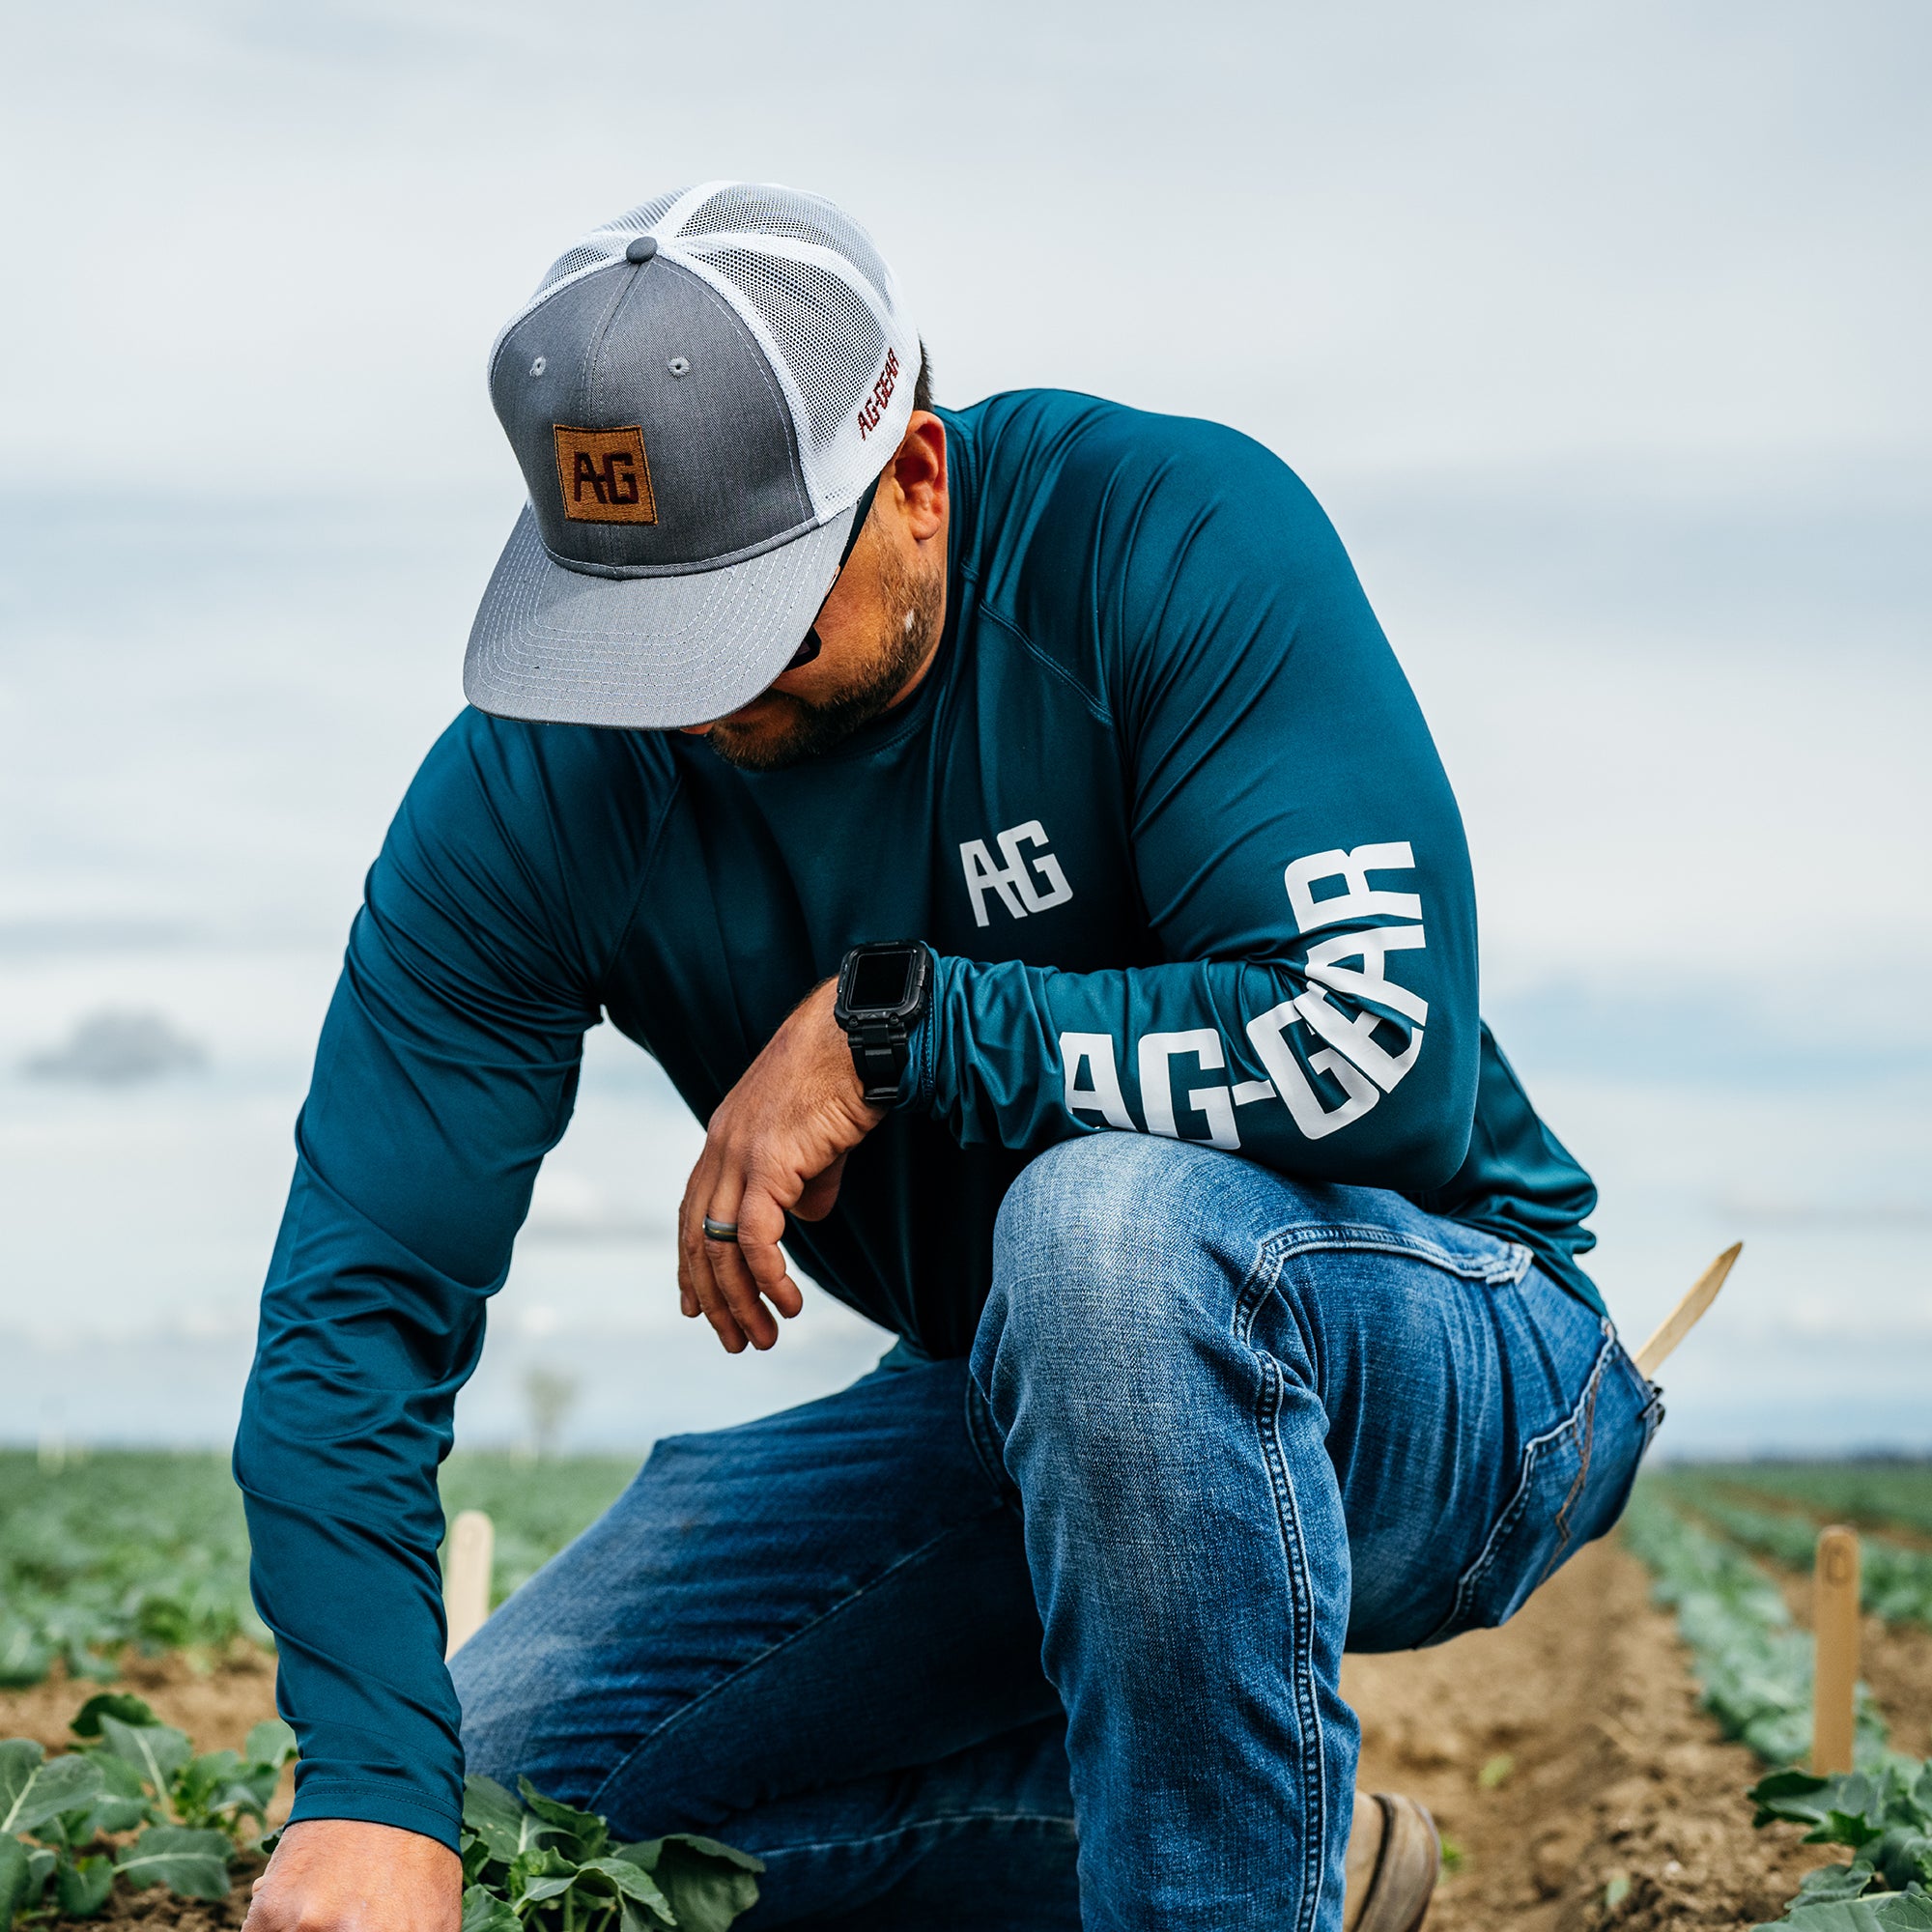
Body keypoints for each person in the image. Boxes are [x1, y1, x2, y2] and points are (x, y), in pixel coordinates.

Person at [236, 184, 1660, 1932]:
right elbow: (353, 1302)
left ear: (913, 477)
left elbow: (1372, 1052)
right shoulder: (535, 795)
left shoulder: (1159, 539)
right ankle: (1272, 1851)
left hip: (1455, 1351)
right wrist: (374, 1797)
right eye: (635, 631)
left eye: (746, 623)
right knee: (509, 1801)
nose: (691, 705)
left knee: (1104, 1238)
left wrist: (904, 1023)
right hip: (1013, 1408)